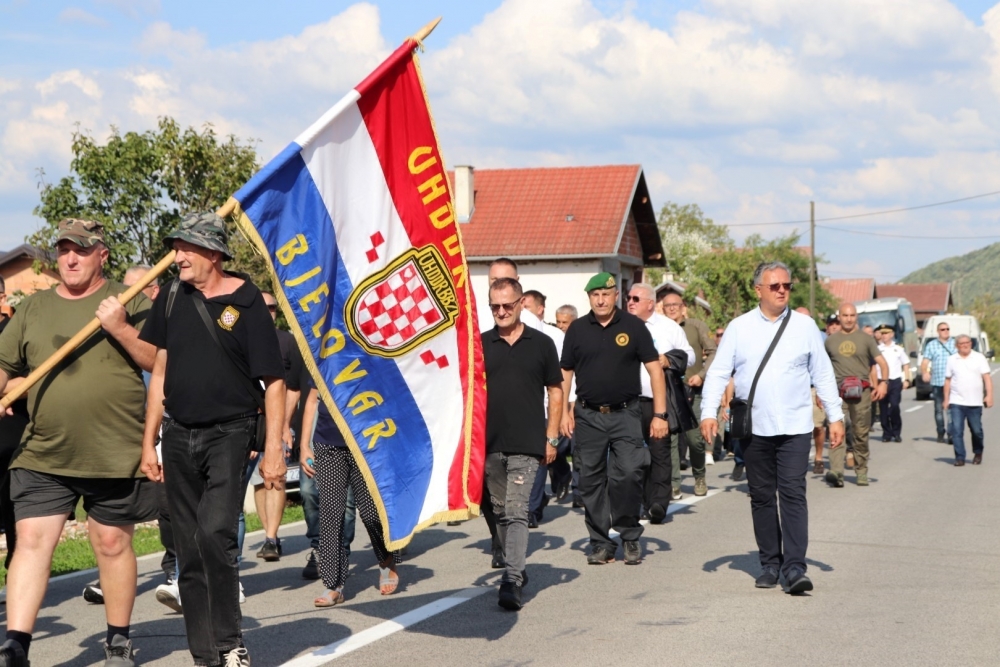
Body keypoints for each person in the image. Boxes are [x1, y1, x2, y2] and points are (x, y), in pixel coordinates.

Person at [0, 218, 158, 667]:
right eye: (64, 249)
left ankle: (118, 639)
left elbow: (157, 362)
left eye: (81, 250)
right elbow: (4, 362)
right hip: (44, 448)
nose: (70, 258)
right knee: (31, 539)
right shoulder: (34, 308)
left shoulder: (132, 300)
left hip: (114, 449)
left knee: (111, 543)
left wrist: (121, 328)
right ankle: (16, 645)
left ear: (102, 255)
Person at [138, 212, 286, 667]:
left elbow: (274, 381)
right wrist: (149, 441)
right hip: (178, 435)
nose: (177, 256)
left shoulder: (246, 302)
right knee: (187, 546)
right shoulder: (169, 299)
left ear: (214, 253)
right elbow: (159, 370)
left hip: (231, 432)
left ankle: (229, 641)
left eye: (186, 248)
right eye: (176, 247)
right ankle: (204, 655)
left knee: (215, 533)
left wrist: (276, 449)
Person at [701, 261, 844, 594]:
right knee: (762, 497)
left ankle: (795, 568)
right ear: (759, 290)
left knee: (793, 494)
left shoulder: (805, 326)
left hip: (795, 425)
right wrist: (708, 412)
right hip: (755, 427)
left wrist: (835, 417)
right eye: (775, 286)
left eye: (787, 286)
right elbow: (719, 372)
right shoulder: (739, 327)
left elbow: (822, 373)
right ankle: (770, 563)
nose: (782, 291)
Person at [560, 272, 667, 565]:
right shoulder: (578, 330)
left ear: (615, 296)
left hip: (626, 413)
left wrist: (660, 414)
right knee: (591, 481)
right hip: (589, 415)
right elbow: (565, 373)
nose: (601, 300)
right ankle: (600, 542)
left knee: (629, 474)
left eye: (606, 294)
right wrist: (563, 412)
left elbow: (655, 369)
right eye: (595, 295)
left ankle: (629, 535)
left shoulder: (634, 326)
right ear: (589, 298)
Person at [481, 278, 562, 610]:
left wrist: (552, 435)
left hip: (528, 442)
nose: (501, 312)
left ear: (521, 304)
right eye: (495, 307)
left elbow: (556, 391)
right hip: (488, 443)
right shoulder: (480, 343)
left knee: (517, 511)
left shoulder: (542, 343)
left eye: (507, 305)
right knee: (498, 510)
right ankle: (515, 562)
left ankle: (512, 579)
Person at [299, 379, 400, 607]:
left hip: (366, 442)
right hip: (327, 443)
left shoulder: (367, 345)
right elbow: (312, 399)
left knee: (371, 513)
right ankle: (333, 584)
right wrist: (304, 445)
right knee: (331, 514)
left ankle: (386, 559)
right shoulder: (324, 349)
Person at [626, 283, 694, 523]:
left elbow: (690, 354)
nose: (630, 302)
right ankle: (642, 500)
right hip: (628, 402)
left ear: (650, 303)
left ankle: (658, 503)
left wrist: (668, 359)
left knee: (659, 453)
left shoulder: (668, 327)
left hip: (658, 402)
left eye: (636, 298)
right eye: (628, 298)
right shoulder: (622, 326)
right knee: (633, 456)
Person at [246, 292, 303, 562]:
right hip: (248, 423)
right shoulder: (242, 340)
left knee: (275, 479)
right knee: (259, 482)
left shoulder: (287, 341)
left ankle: (271, 538)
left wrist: (284, 426)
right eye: (263, 307)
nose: (268, 311)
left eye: (272, 308)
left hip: (278, 421)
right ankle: (270, 535)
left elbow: (293, 387)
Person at [823, 303, 888, 488]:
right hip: (837, 393)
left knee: (860, 433)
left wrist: (883, 383)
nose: (849, 319)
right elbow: (821, 369)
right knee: (837, 431)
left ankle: (861, 471)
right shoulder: (830, 341)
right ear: (839, 317)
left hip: (862, 393)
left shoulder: (866, 339)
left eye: (852, 315)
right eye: (845, 315)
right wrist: (821, 393)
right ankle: (837, 471)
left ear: (856, 317)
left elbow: (882, 363)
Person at [661, 291, 716, 497]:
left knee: (694, 439)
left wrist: (702, 375)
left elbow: (713, 351)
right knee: (672, 439)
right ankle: (674, 483)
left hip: (694, 390)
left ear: (683, 307)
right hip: (669, 391)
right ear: (663, 308)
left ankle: (699, 476)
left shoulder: (696, 326)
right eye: (668, 305)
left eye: (676, 304)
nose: (672, 308)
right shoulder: (658, 328)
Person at [520, 289, 567, 526]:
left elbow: (564, 376)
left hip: (549, 405)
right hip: (524, 406)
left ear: (539, 309)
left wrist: (565, 410)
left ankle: (532, 508)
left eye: (526, 307)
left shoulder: (553, 336)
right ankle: (533, 503)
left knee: (541, 455)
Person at [943, 335, 993, 466]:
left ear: (971, 343)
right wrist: (946, 399)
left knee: (976, 430)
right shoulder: (952, 359)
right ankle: (960, 457)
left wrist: (989, 395)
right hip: (956, 401)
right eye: (962, 343)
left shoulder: (979, 357)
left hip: (975, 402)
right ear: (957, 346)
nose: (965, 345)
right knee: (957, 431)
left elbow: (987, 378)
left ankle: (978, 452)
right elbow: (947, 380)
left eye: (968, 342)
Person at [921, 321, 957, 443]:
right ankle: (940, 432)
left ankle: (951, 434)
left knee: (952, 409)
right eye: (942, 329)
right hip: (937, 382)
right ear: (938, 331)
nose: (945, 331)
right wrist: (925, 372)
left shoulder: (955, 344)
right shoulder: (931, 345)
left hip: (953, 382)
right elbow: (925, 361)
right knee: (938, 409)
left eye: (947, 328)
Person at [876, 324, 911, 443]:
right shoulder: (877, 349)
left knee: (895, 406)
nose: (884, 335)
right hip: (881, 381)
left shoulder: (898, 349)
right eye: (882, 333)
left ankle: (896, 432)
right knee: (883, 408)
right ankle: (886, 433)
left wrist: (906, 379)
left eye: (886, 333)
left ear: (892, 334)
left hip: (895, 381)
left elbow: (906, 363)